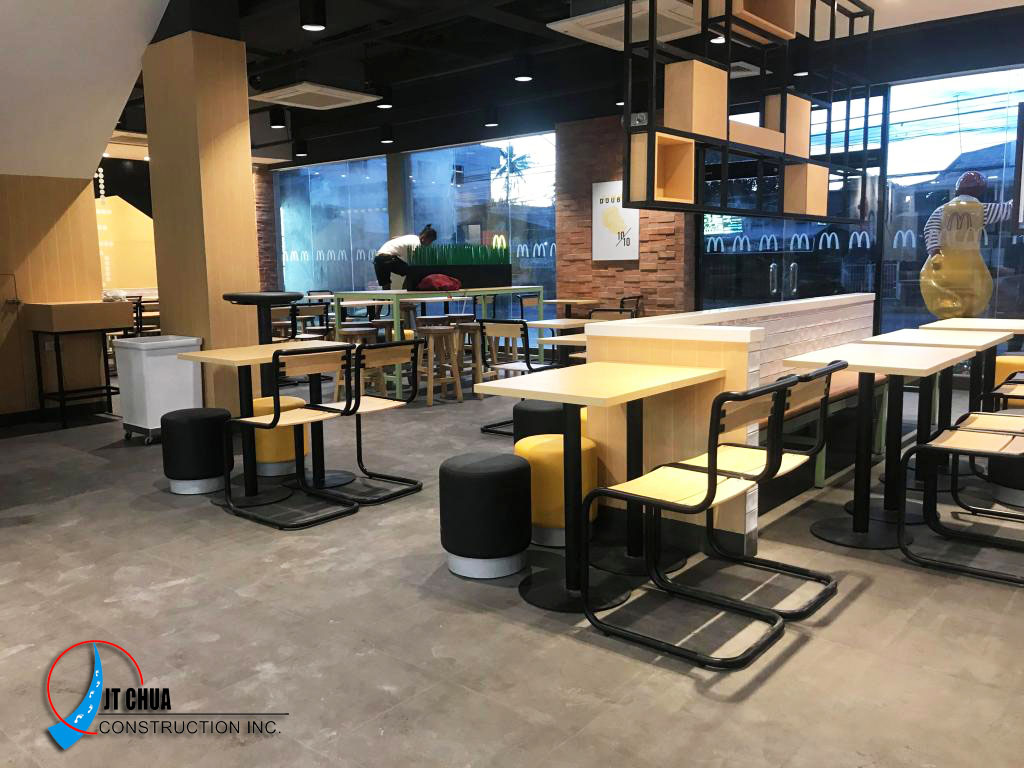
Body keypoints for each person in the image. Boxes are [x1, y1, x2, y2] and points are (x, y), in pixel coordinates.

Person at [373, 225, 437, 289]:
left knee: (385, 283)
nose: (430, 244)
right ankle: (405, 290)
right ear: (424, 238)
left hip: (378, 258)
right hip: (387, 257)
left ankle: (390, 294)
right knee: (412, 272)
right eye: (430, 241)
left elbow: (394, 238)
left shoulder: (413, 237)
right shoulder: (416, 245)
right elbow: (414, 264)